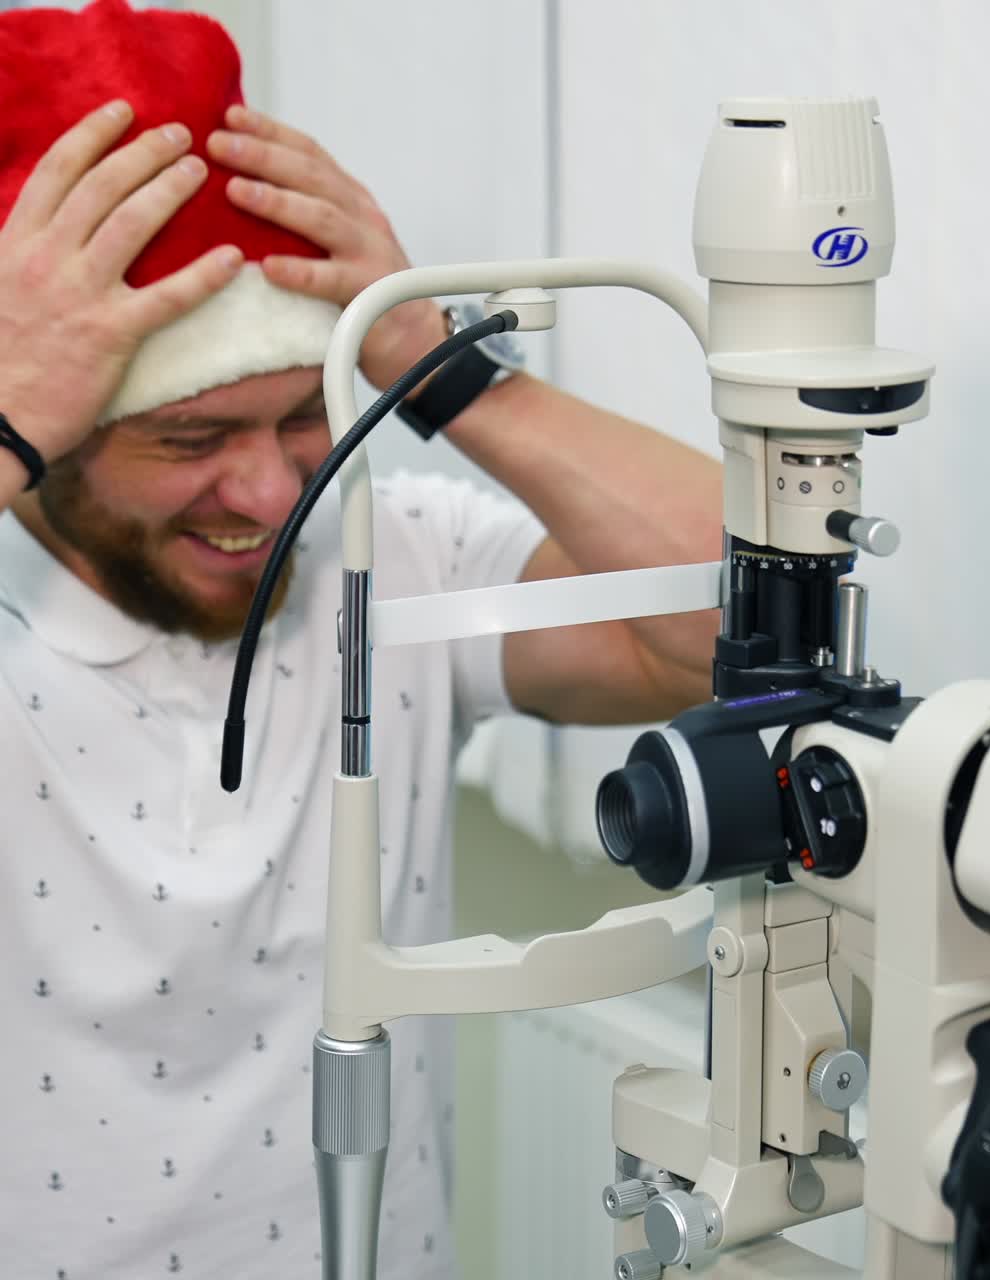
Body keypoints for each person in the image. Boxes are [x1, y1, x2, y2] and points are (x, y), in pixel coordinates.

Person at [0, 3, 720, 1277]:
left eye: (302, 422)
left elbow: (727, 624)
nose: (276, 496)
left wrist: (426, 363)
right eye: (188, 439)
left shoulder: (391, 557)